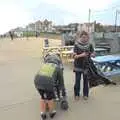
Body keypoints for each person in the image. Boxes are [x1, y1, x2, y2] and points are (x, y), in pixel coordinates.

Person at [34, 53, 66, 120]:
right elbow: (61, 83)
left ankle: (43, 113)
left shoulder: (45, 65)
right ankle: (52, 112)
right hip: (48, 83)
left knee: (43, 97)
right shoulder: (58, 67)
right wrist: (63, 95)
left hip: (37, 81)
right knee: (50, 98)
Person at [73, 31, 95, 100]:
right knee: (77, 80)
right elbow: (74, 56)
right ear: (80, 37)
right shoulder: (76, 45)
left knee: (86, 81)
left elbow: (93, 53)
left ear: (88, 38)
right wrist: (81, 55)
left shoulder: (90, 44)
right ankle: (76, 94)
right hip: (78, 66)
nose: (84, 38)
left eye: (86, 37)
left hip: (86, 66)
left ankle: (85, 94)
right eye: (83, 37)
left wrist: (92, 54)